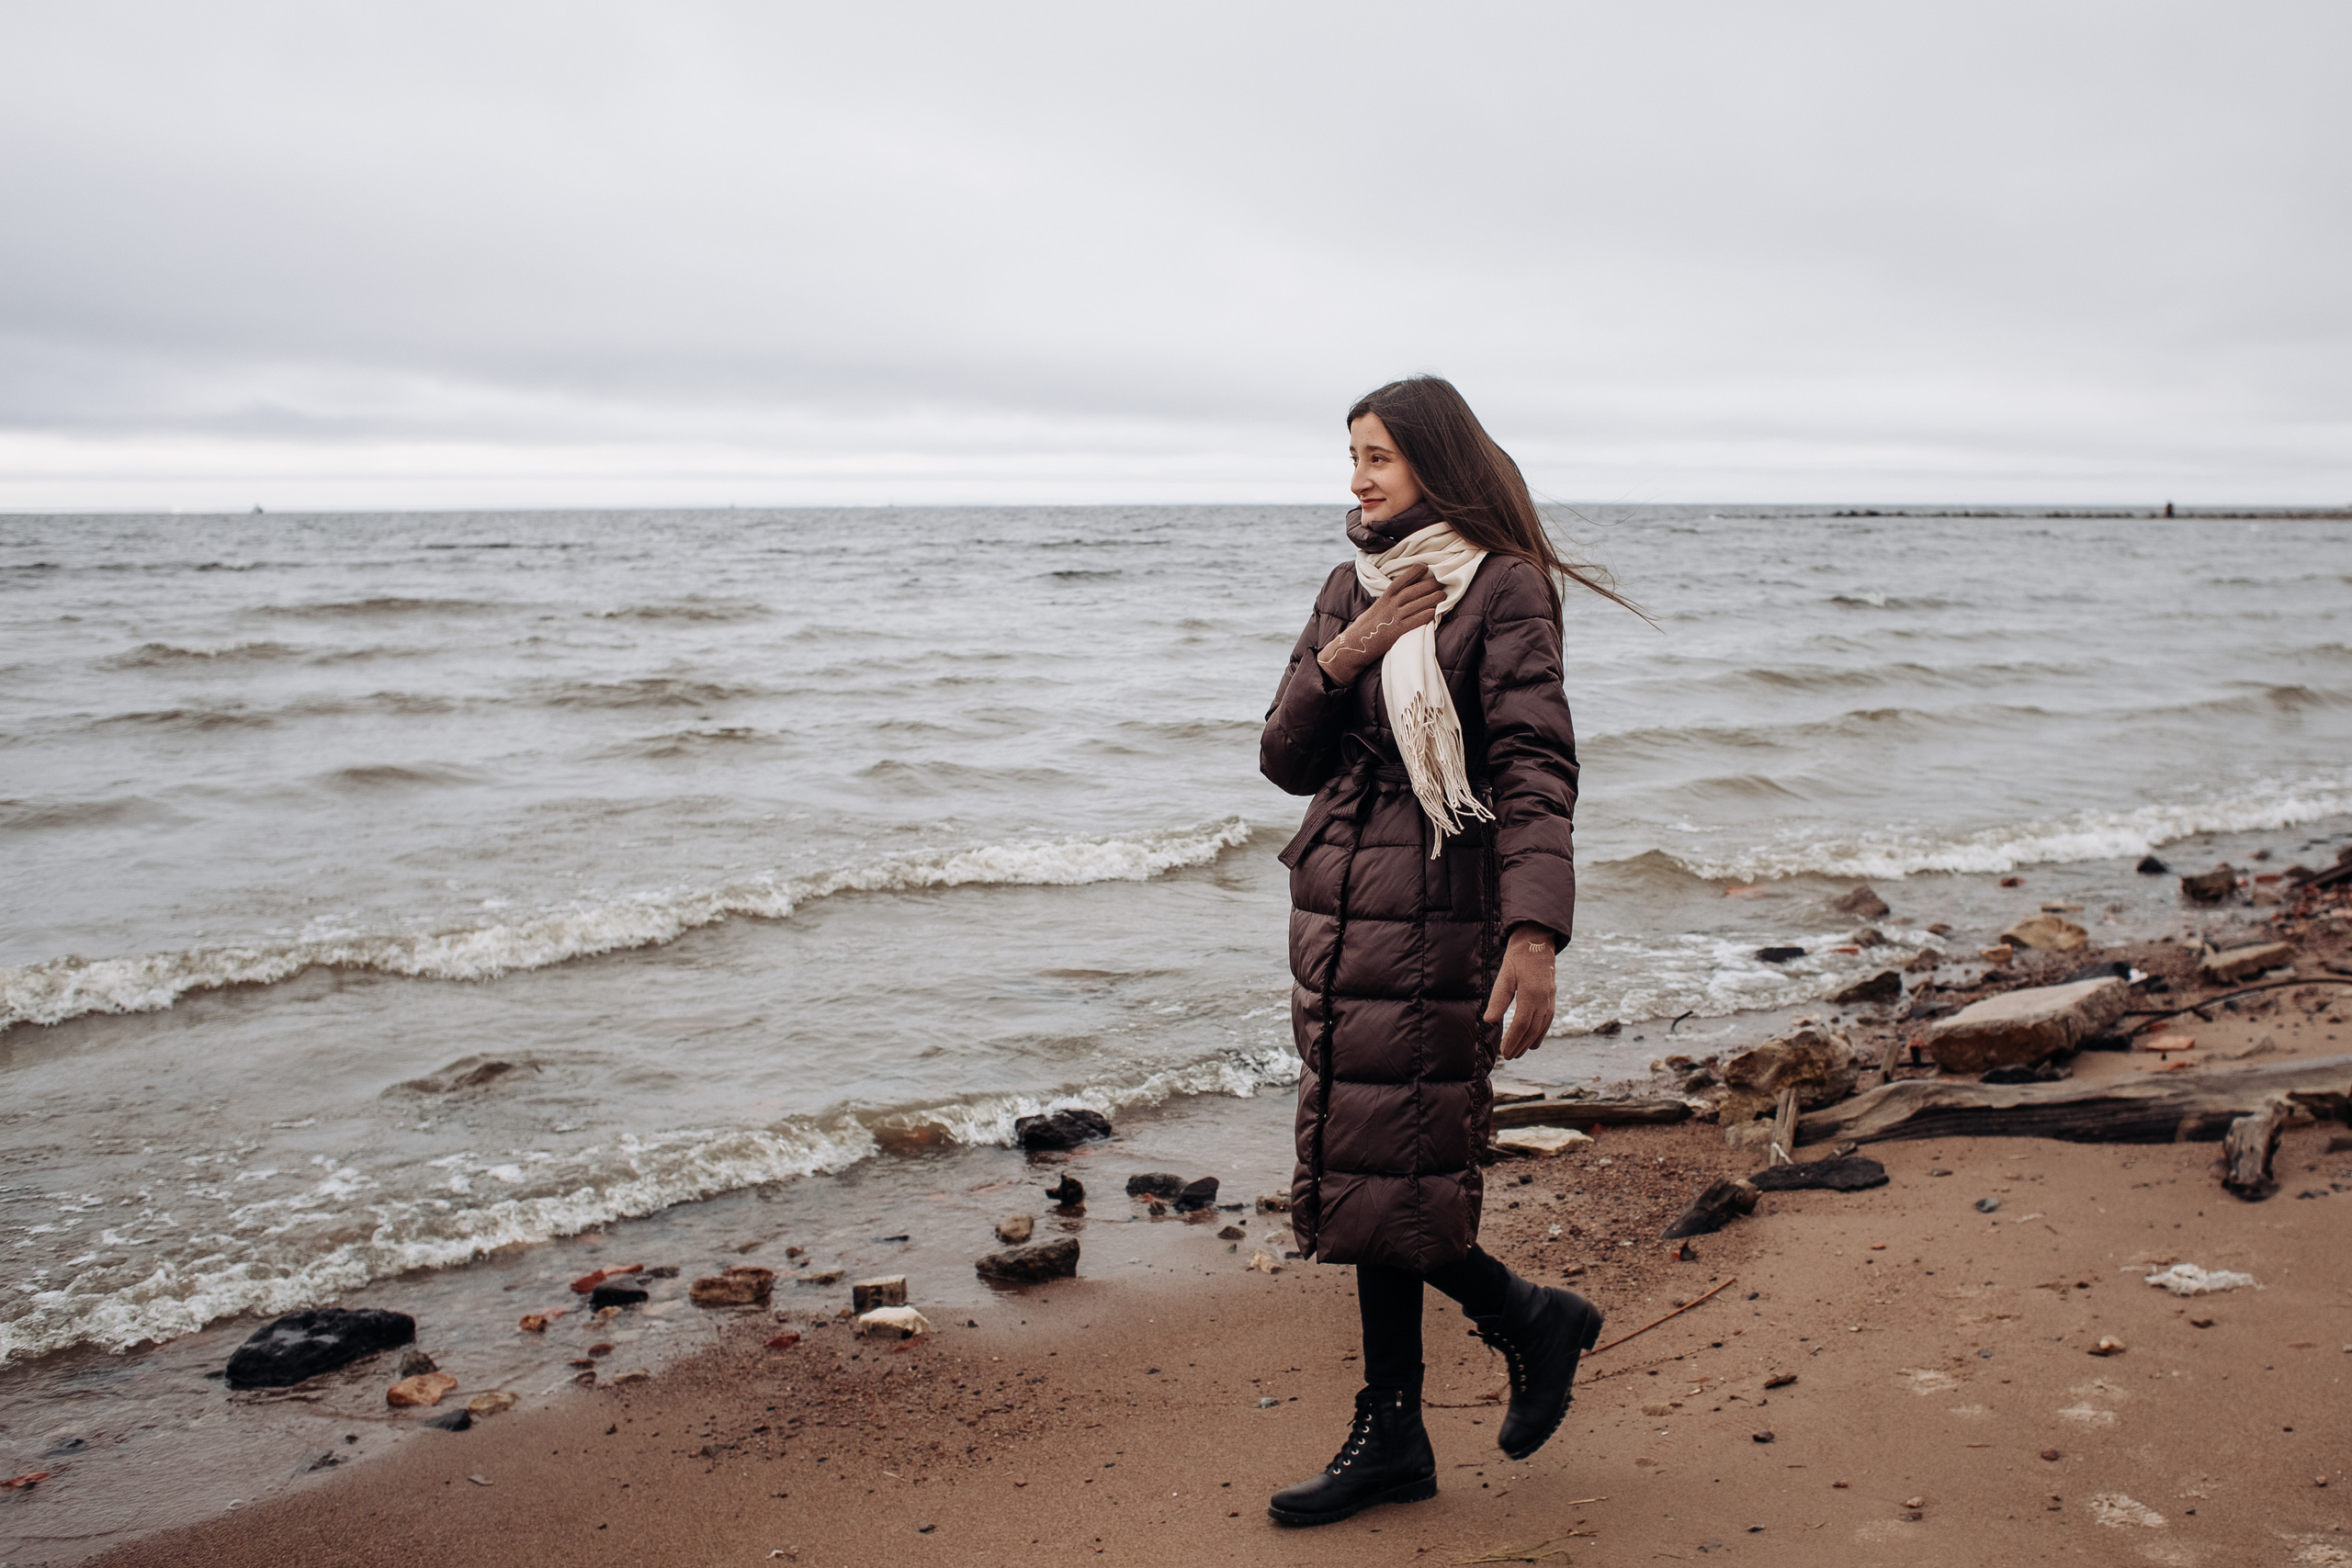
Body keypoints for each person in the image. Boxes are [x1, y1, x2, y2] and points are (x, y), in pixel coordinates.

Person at [1259, 375, 1636, 1528]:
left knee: (1395, 1168)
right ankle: (1414, 1419)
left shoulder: (1502, 590)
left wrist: (1534, 931)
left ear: (1437, 459)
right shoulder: (1353, 585)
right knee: (1378, 1164)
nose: (1359, 477)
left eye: (1378, 455)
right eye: (1353, 456)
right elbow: (1284, 757)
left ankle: (1497, 1340)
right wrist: (1344, 654)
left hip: (1440, 907)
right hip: (1341, 909)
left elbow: (1533, 767)